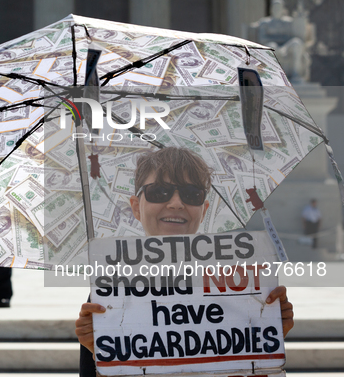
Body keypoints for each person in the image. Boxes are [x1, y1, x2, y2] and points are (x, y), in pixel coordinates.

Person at [75, 147, 295, 376]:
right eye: (159, 192)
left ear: (204, 209)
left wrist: (265, 341)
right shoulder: (109, 291)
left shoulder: (243, 283)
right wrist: (100, 355)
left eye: (191, 194)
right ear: (135, 207)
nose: (176, 203)